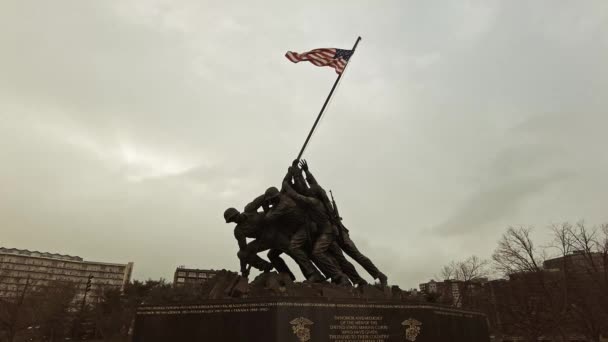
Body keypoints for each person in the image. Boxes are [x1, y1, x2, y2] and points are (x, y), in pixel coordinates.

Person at [299, 159, 388, 286]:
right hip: (330, 233)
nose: (309, 188)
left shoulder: (322, 200)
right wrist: (306, 172)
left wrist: (305, 173)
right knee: (341, 260)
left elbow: (314, 186)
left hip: (338, 231)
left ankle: (379, 275)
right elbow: (311, 184)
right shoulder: (315, 198)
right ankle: (358, 280)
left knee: (357, 255)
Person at [282, 167, 351, 286]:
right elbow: (285, 188)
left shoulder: (312, 197)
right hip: (310, 227)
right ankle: (323, 276)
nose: (298, 180)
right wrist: (290, 173)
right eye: (296, 178)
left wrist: (291, 178)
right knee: (304, 250)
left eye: (300, 177)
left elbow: (295, 192)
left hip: (322, 229)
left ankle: (342, 277)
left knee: (331, 254)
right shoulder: (299, 188)